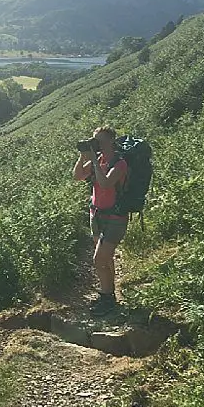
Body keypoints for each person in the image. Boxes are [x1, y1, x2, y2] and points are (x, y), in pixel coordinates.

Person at [73, 125, 128, 314]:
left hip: (115, 219)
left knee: (98, 259)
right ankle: (109, 294)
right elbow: (78, 176)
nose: (97, 143)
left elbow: (105, 183)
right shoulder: (99, 159)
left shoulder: (119, 163)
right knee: (105, 258)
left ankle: (107, 299)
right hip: (96, 216)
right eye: (95, 139)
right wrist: (84, 156)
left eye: (100, 140)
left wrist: (95, 162)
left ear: (111, 141)